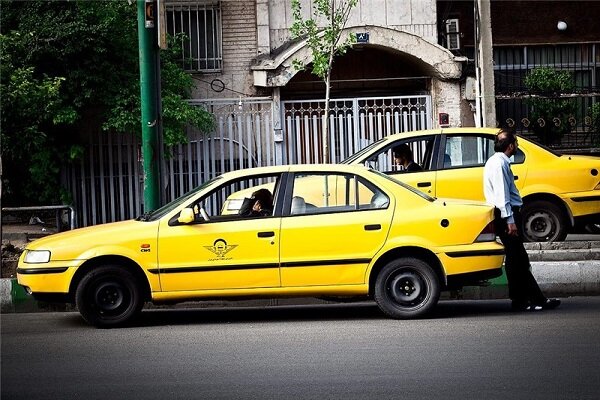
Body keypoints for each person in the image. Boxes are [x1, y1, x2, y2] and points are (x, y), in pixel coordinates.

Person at [483, 129, 560, 311]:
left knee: (516, 258)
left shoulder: (496, 161)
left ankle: (522, 299)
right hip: (507, 216)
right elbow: (502, 195)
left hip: (506, 214)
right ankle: (532, 300)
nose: (517, 146)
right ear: (511, 146)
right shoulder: (499, 164)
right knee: (518, 259)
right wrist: (510, 220)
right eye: (516, 143)